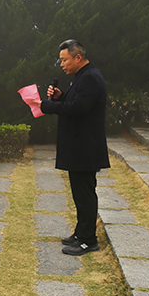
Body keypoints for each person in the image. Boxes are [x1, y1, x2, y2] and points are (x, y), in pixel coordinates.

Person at [39, 39, 109, 256]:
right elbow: (78, 102)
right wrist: (61, 97)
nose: (62, 64)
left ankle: (88, 240)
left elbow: (79, 108)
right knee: (80, 194)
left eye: (64, 60)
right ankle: (81, 233)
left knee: (85, 194)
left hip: (85, 147)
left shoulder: (90, 77)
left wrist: (49, 106)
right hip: (80, 146)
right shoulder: (83, 76)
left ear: (78, 57)